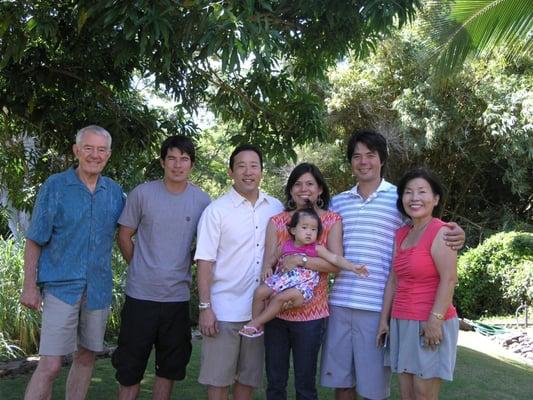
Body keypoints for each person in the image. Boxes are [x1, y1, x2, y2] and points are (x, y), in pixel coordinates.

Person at [320, 129, 465, 400]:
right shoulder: (337, 203)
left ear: (381, 159)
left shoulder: (400, 199)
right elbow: (311, 236)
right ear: (350, 162)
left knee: (374, 388)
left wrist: (458, 233)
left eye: (370, 155)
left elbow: (430, 232)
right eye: (356, 156)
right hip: (341, 302)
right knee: (342, 383)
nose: (363, 161)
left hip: (378, 307)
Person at [20, 125, 125, 400]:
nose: (95, 155)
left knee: (87, 357)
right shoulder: (56, 186)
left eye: (101, 149)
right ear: (76, 151)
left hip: (98, 289)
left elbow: (133, 229)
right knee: (51, 365)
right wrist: (29, 286)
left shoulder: (115, 193)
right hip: (60, 288)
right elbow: (34, 239)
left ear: (109, 155)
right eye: (88, 148)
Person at [111, 136, 210, 400]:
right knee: (130, 368)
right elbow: (124, 235)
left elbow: (206, 248)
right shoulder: (142, 194)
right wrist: (141, 266)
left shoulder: (203, 201)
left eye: (184, 159)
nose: (178, 165)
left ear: (192, 164)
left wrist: (184, 263)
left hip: (177, 299)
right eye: (172, 158)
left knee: (169, 368)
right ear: (162, 161)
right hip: (140, 297)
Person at [194, 144, 284, 400]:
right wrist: (205, 308)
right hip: (224, 311)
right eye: (241, 166)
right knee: (218, 382)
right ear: (230, 172)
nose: (248, 172)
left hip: (260, 313)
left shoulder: (276, 208)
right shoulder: (216, 211)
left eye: (253, 166)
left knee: (248, 380)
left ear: (261, 172)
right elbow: (204, 262)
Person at [376, 168, 459, 400]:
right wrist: (384, 319)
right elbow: (394, 278)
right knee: (407, 393)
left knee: (423, 394)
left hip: (430, 321)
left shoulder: (441, 232)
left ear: (435, 198)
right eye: (408, 192)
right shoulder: (401, 233)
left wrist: (435, 320)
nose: (414, 198)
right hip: (402, 321)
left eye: (422, 192)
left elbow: (449, 278)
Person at [263, 162, 344, 400]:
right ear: (290, 190)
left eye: (310, 183)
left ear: (320, 189)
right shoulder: (277, 222)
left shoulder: (331, 221)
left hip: (312, 316)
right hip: (277, 313)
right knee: (275, 382)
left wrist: (300, 260)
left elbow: (336, 265)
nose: (303, 189)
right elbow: (269, 264)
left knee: (305, 385)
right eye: (297, 184)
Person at [240, 207, 368, 338]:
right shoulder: (285, 245)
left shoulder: (316, 249)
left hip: (301, 288)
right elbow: (273, 258)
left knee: (280, 298)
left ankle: (256, 322)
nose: (309, 232)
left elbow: (335, 258)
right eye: (305, 227)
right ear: (293, 230)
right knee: (259, 292)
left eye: (314, 229)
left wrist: (352, 267)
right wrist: (267, 266)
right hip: (281, 280)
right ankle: (257, 325)